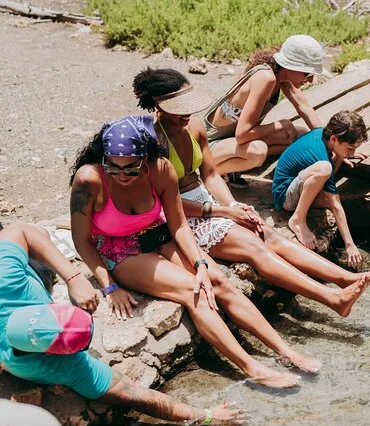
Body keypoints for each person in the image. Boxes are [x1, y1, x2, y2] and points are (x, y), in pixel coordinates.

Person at [69, 115, 316, 388]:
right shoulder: (89, 179)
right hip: (120, 249)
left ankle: (286, 351)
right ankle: (253, 368)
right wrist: (109, 286)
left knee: (217, 280)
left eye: (131, 168)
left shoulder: (161, 169)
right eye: (113, 167)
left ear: (146, 158)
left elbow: (178, 225)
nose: (121, 175)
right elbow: (81, 240)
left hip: (159, 234)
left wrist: (200, 264)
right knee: (193, 291)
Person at [132, 68, 370, 318]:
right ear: (159, 106)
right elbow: (166, 203)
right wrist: (224, 212)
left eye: (188, 107)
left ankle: (345, 278)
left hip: (207, 201)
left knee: (267, 232)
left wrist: (234, 205)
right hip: (180, 217)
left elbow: (210, 176)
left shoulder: (195, 127)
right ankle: (332, 299)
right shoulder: (153, 141)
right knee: (254, 246)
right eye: (179, 109)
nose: (187, 113)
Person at [0, 222, 242, 426]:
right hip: (34, 276)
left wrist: (74, 278)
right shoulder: (65, 367)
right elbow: (137, 395)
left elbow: (20, 229)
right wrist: (206, 415)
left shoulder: (7, 278)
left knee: (38, 233)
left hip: (26, 273)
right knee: (39, 240)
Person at [203, 35, 324, 189]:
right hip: (207, 146)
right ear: (292, 66)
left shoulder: (283, 77)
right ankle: (208, 175)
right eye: (307, 73)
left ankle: (233, 166)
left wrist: (328, 143)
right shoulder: (266, 78)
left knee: (300, 135)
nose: (311, 80)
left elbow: (303, 107)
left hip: (230, 141)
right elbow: (242, 135)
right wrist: (281, 124)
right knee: (257, 151)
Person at [272, 111, 369, 266]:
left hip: (299, 183)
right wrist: (349, 244)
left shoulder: (322, 134)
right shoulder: (320, 156)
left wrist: (342, 156)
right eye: (350, 148)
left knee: (329, 178)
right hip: (285, 196)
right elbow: (335, 204)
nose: (353, 153)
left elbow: (328, 176)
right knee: (325, 171)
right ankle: (298, 220)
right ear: (334, 139)